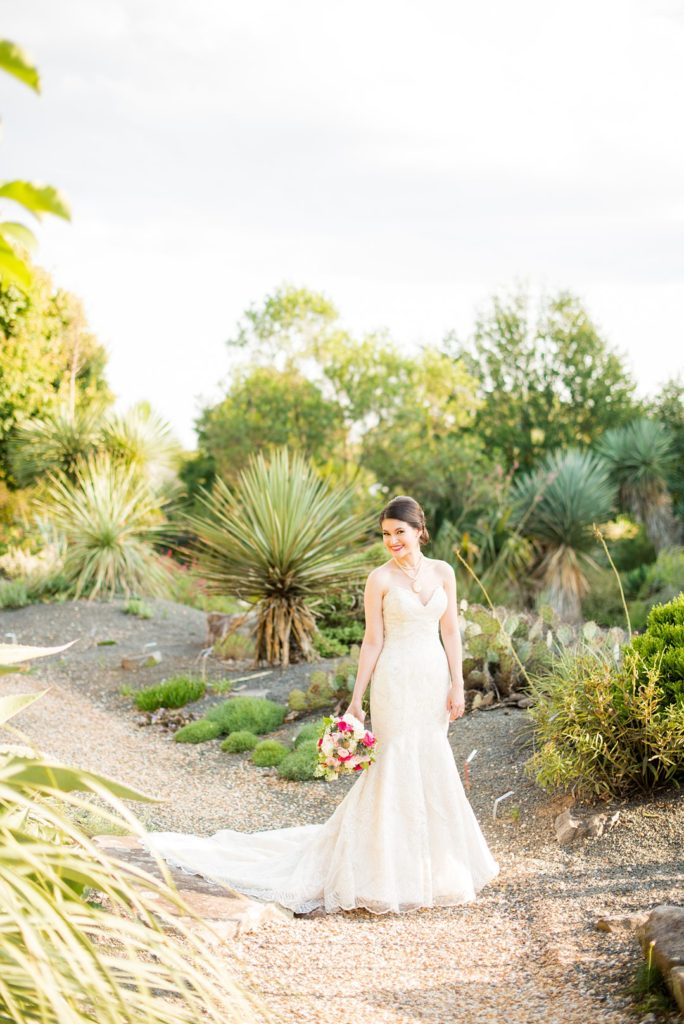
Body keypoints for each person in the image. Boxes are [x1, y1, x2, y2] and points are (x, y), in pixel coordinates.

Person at [141, 494, 500, 915]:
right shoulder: (379, 579)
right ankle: (381, 871)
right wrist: (356, 702)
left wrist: (458, 683)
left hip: (433, 680)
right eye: (385, 534)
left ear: (420, 530)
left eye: (399, 532)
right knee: (394, 763)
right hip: (395, 682)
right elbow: (372, 641)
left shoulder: (444, 572)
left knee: (432, 759)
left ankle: (435, 866)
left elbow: (452, 632)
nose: (392, 542)